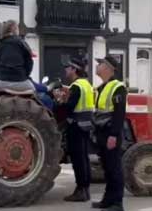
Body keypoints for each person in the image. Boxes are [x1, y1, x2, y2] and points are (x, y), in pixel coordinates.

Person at [58, 57, 94, 202]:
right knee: (84, 158)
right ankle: (85, 190)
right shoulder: (87, 84)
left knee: (78, 160)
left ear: (74, 70)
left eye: (68, 67)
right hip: (85, 125)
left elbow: (69, 108)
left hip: (76, 126)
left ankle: (81, 190)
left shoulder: (76, 86)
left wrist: (59, 103)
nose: (66, 70)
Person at [92, 56, 126, 211]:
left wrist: (113, 135)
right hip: (101, 132)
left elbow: (119, 114)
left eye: (100, 64)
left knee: (114, 169)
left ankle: (117, 203)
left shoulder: (117, 87)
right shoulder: (101, 87)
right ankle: (107, 200)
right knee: (107, 168)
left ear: (107, 68)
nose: (97, 66)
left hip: (110, 133)